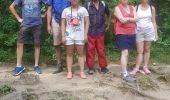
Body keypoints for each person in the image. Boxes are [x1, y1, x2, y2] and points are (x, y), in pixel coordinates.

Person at [9, 0, 47, 76]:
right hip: (25, 24)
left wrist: (44, 14)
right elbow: (11, 7)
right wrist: (18, 18)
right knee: (19, 43)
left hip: (37, 24)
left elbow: (49, 5)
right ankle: (19, 66)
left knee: (37, 45)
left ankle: (36, 66)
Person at [61, 0, 89, 79]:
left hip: (80, 35)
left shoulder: (83, 10)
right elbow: (63, 23)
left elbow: (87, 22)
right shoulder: (65, 10)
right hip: (69, 35)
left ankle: (82, 72)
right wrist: (63, 35)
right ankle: (69, 72)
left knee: (80, 54)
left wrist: (85, 34)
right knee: (69, 54)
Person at [130, 0, 158, 75]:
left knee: (147, 49)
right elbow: (133, 21)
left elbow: (154, 21)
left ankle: (145, 66)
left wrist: (156, 33)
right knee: (139, 51)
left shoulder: (152, 8)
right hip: (138, 31)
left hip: (149, 31)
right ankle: (136, 68)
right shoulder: (136, 8)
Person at [85, 0, 111, 75]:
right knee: (90, 50)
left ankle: (103, 67)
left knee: (101, 50)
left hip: (100, 32)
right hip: (90, 32)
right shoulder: (87, 4)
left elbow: (109, 14)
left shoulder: (104, 4)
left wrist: (108, 25)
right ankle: (90, 68)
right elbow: (84, 18)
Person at [114, 0, 137, 82]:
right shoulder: (117, 8)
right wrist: (131, 19)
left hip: (131, 32)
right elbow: (121, 20)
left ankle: (125, 72)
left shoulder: (132, 7)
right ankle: (124, 74)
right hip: (121, 32)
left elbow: (136, 19)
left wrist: (126, 19)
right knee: (125, 52)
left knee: (127, 53)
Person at [47, 0, 70, 74]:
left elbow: (73, 7)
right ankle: (59, 65)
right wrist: (48, 25)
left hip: (68, 21)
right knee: (57, 44)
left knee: (68, 43)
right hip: (55, 20)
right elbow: (49, 10)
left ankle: (68, 65)